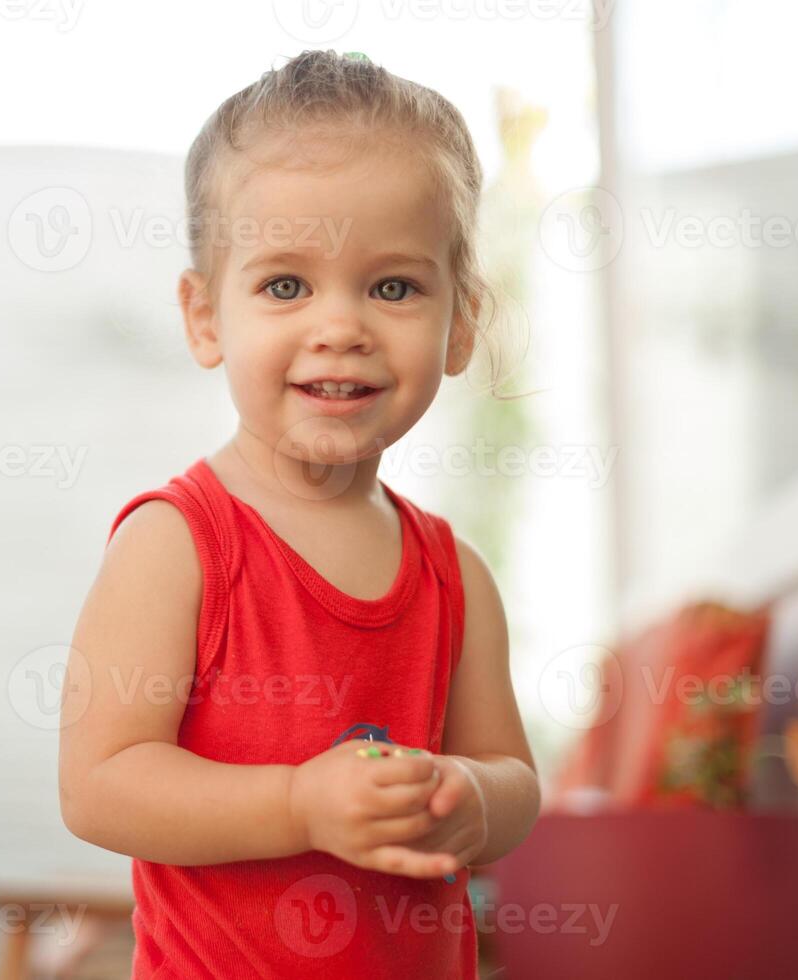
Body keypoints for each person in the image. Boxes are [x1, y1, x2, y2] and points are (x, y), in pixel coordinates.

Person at [57, 49, 540, 979]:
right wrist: (298, 807)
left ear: (463, 324)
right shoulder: (177, 545)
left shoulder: (455, 576)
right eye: (286, 286)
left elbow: (512, 781)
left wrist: (470, 796)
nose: (341, 326)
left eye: (393, 286)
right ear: (205, 318)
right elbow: (99, 785)